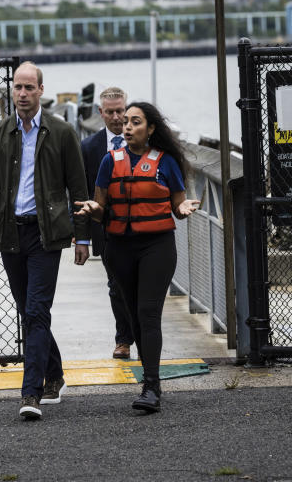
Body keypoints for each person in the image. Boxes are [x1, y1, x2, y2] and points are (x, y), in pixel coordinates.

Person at [0, 61, 90, 421]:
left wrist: (82, 235)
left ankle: (31, 393)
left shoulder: (61, 132)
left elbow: (78, 187)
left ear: (41, 90)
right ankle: (54, 374)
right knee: (28, 310)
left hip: (47, 234)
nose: (22, 94)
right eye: (17, 88)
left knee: (37, 310)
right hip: (10, 232)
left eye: (28, 88)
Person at [74, 102, 200, 414]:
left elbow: (178, 205)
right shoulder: (109, 161)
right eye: (126, 122)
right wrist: (93, 210)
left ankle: (152, 386)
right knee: (133, 315)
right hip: (119, 247)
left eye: (135, 122)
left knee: (148, 313)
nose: (128, 127)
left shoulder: (166, 162)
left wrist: (182, 211)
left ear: (151, 128)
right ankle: (150, 380)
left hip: (156, 246)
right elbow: (102, 206)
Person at [81, 87, 136, 360]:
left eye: (120, 111)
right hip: (106, 229)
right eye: (110, 112)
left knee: (141, 285)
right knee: (116, 285)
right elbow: (80, 192)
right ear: (100, 113)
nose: (116, 117)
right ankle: (123, 339)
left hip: (140, 224)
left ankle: (143, 334)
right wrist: (81, 235)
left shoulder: (143, 143)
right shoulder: (89, 147)